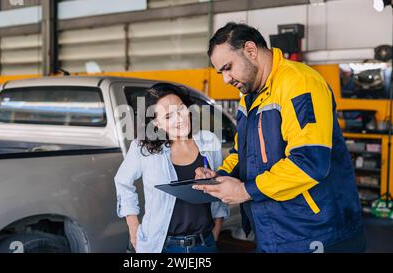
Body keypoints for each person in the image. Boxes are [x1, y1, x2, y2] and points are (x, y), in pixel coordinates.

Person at [194, 22, 365, 253]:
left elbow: (309, 162)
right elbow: (241, 154)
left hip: (315, 230)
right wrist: (219, 177)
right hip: (274, 230)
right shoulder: (248, 97)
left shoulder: (299, 83)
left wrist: (245, 191)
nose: (225, 79)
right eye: (220, 72)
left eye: (228, 67)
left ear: (251, 51)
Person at [114, 83, 229, 253]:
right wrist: (133, 227)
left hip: (204, 243)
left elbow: (219, 186)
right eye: (168, 116)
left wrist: (217, 228)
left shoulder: (209, 140)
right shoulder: (142, 148)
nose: (180, 119)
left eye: (181, 109)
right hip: (161, 245)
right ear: (156, 122)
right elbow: (123, 182)